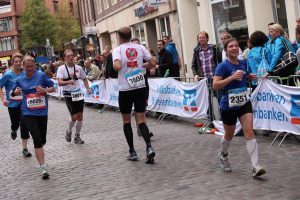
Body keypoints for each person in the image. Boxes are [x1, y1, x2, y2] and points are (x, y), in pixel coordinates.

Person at [213, 38, 266, 178]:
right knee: (229, 135)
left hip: (244, 102)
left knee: (249, 131)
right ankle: (223, 155)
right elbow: (215, 85)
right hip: (228, 104)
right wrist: (231, 78)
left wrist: (250, 77)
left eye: (236, 46)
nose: (234, 48)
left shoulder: (243, 62)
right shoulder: (222, 66)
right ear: (226, 50)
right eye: (231, 46)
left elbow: (244, 78)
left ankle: (255, 165)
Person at [113, 26, 157, 163]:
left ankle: (132, 152)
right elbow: (153, 63)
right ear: (130, 35)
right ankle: (149, 147)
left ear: (119, 37)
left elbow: (118, 67)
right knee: (141, 120)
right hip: (139, 87)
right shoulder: (139, 47)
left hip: (125, 89)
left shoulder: (117, 50)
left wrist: (118, 65)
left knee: (126, 121)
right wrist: (139, 66)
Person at [11, 55, 55, 179]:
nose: (30, 69)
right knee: (36, 139)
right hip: (28, 112)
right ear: (23, 66)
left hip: (42, 112)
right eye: (27, 66)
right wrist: (16, 92)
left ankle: (40, 152)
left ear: (34, 65)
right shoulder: (20, 79)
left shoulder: (41, 75)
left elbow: (53, 87)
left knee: (42, 140)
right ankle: (43, 168)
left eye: (31, 66)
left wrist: (45, 90)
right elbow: (12, 92)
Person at [57, 49, 91, 144]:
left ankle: (77, 136)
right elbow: (59, 82)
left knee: (80, 116)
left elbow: (84, 79)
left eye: (72, 55)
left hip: (78, 93)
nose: (71, 57)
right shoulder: (61, 69)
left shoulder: (79, 68)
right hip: (68, 94)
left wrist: (87, 88)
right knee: (74, 116)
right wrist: (68, 81)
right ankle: (69, 130)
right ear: (65, 58)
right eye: (68, 56)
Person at [0, 53, 32, 158]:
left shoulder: (25, 74)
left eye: (19, 61)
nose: (18, 63)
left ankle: (25, 148)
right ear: (12, 63)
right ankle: (14, 129)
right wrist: (3, 99)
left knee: (24, 124)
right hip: (12, 104)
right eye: (16, 62)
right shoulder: (8, 75)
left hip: (24, 104)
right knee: (15, 124)